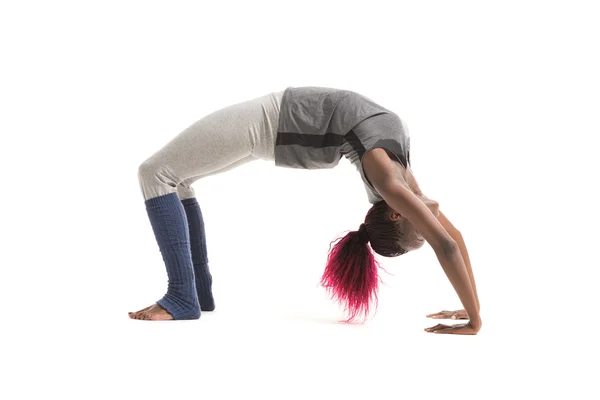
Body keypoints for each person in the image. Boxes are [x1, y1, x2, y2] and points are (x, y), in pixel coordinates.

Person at [129, 86, 482, 335]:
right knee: (170, 177)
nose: (428, 222)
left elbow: (449, 238)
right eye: (421, 230)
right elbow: (449, 243)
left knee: (157, 173)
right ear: (396, 213)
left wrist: (471, 312)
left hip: (269, 126)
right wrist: (474, 317)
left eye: (421, 227)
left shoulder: (396, 183)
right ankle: (194, 292)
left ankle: (183, 296)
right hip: (268, 119)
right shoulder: (394, 180)